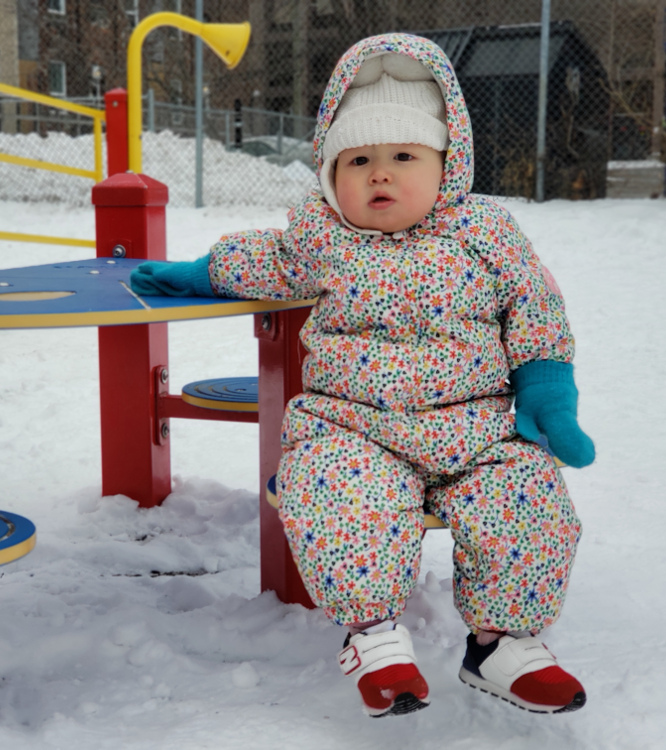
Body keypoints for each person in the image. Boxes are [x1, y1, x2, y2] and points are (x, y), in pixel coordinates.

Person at [130, 33, 594, 718]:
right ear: (330, 174)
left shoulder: (487, 234)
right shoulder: (322, 237)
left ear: (446, 163)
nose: (381, 174)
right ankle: (373, 636)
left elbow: (535, 306)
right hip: (355, 426)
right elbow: (259, 262)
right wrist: (190, 274)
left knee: (530, 499)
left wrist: (549, 393)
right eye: (359, 160)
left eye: (404, 156)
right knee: (337, 495)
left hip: (479, 424)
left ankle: (503, 643)